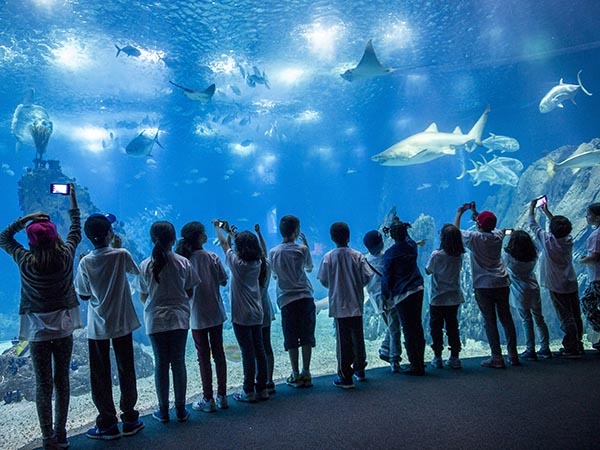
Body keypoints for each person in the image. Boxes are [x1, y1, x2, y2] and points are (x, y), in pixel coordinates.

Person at [0, 183, 82, 450]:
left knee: (43, 384)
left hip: (36, 331)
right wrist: (72, 199)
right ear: (55, 237)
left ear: (31, 242)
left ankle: (47, 438)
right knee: (63, 381)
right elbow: (76, 230)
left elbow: (3, 238)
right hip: (63, 329)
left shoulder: (25, 261)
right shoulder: (66, 255)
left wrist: (25, 218)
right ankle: (61, 434)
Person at [75, 213, 144, 440]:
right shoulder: (121, 255)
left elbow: (84, 295)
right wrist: (118, 247)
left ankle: (107, 423)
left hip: (98, 327)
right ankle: (130, 418)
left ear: (87, 238)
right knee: (127, 369)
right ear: (110, 234)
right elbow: (136, 272)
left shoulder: (85, 261)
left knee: (100, 374)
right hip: (122, 323)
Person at [138, 221, 200, 423]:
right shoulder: (183, 262)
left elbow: (143, 296)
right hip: (179, 319)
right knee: (178, 362)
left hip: (155, 320)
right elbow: (190, 289)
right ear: (173, 240)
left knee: (161, 364)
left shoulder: (145, 264)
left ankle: (163, 410)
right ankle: (181, 410)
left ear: (151, 239)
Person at [455, 202, 519, 368]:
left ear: (478, 225)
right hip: (502, 282)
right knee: (506, 318)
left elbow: (455, 232)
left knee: (489, 320)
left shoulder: (474, 238)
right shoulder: (498, 235)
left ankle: (497, 357)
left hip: (483, 286)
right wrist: (476, 213)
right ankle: (513, 355)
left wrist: (460, 213)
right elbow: (499, 228)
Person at [175, 221, 229, 413]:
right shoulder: (212, 257)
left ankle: (208, 399)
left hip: (196, 315)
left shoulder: (183, 260)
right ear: (200, 237)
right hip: (215, 312)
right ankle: (222, 396)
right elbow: (223, 280)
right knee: (219, 354)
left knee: (203, 357)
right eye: (204, 233)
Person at [214, 220, 268, 402]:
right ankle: (262, 388)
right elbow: (244, 245)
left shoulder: (236, 264)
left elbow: (224, 244)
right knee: (259, 350)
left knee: (247, 352)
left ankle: (248, 390)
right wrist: (230, 232)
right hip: (257, 313)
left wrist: (217, 227)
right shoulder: (258, 262)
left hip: (241, 316)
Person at [317, 222, 372, 389]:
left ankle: (345, 376)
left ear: (332, 238)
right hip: (356, 303)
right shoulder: (357, 256)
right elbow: (367, 277)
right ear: (349, 237)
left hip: (339, 305)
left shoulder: (328, 257)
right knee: (358, 338)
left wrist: (334, 286)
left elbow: (323, 280)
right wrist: (356, 285)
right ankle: (360, 370)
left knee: (343, 342)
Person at [529, 200, 582, 358]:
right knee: (575, 313)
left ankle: (571, 347)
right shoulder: (568, 240)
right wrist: (547, 212)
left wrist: (531, 208)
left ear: (551, 230)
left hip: (556, 285)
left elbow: (532, 224)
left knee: (565, 316)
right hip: (571, 282)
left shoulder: (547, 241)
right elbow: (560, 229)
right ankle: (578, 342)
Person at [268, 215, 316, 388]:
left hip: (286, 300)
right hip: (305, 297)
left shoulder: (273, 252)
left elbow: (274, 274)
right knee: (306, 336)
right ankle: (306, 372)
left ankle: (295, 373)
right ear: (296, 231)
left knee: (291, 337)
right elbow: (309, 268)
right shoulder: (302, 249)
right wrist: (307, 247)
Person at [382, 218, 426, 376]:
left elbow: (386, 277)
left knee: (408, 329)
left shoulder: (390, 254)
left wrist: (385, 297)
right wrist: (399, 224)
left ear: (392, 236)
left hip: (402, 294)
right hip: (417, 289)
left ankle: (415, 365)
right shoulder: (412, 246)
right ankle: (420, 362)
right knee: (417, 326)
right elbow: (408, 238)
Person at [503, 230, 552, 360]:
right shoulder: (533, 255)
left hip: (520, 292)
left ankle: (530, 349)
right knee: (539, 319)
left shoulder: (509, 257)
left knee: (526, 320)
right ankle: (545, 347)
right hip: (533, 288)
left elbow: (502, 260)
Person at [425, 224, 465, 369]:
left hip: (438, 298)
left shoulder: (436, 255)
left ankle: (437, 357)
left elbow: (428, 271)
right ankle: (455, 357)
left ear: (442, 238)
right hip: (454, 297)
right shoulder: (459, 255)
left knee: (436, 328)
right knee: (453, 326)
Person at [363, 230, 403, 373]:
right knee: (395, 329)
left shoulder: (364, 260)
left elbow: (363, 281)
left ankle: (386, 348)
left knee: (392, 325)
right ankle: (394, 360)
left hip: (376, 300)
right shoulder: (386, 257)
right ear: (381, 243)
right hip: (390, 298)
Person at [255, 224, 276, 394]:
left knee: (255, 348)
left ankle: (258, 380)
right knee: (266, 346)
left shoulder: (245, 268)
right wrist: (259, 233)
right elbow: (265, 251)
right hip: (265, 310)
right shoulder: (266, 265)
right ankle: (269, 380)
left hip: (250, 313)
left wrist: (231, 237)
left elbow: (229, 253)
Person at [580, 202, 600, 351]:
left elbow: (594, 257)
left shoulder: (596, 235)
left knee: (586, 302)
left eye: (589, 214)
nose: (586, 216)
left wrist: (581, 260)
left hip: (597, 278)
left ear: (597, 218)